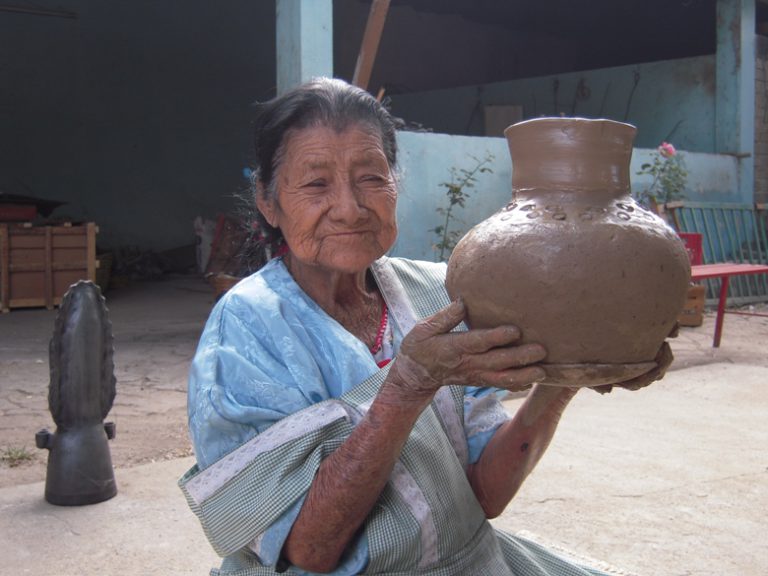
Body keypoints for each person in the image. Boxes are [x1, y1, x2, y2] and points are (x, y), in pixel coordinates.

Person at [180, 77, 673, 576]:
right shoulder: (246, 332)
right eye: (315, 183)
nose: (350, 208)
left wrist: (563, 378)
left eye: (371, 177)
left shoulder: (441, 292)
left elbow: (484, 494)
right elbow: (308, 551)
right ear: (268, 201)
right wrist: (408, 385)